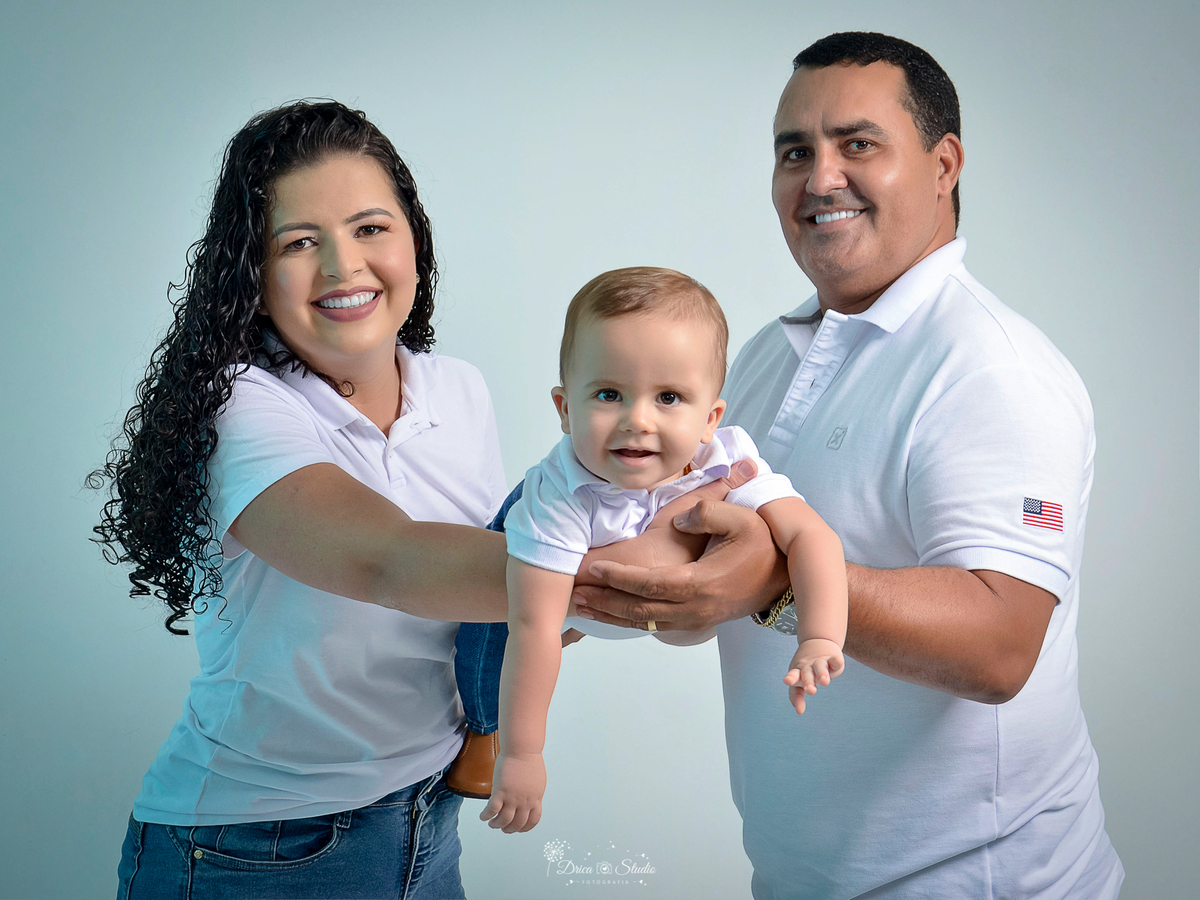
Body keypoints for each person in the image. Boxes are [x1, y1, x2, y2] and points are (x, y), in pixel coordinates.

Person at [93, 100, 776, 899]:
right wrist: (679, 568)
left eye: (370, 228)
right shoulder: (237, 405)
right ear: (252, 268)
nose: (344, 267)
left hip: (426, 822)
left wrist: (678, 549)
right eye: (300, 242)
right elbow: (388, 561)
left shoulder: (459, 390)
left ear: (414, 239)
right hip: (256, 846)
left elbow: (481, 590)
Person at [574, 32, 1124, 899]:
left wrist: (780, 583)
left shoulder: (992, 368)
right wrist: (592, 587)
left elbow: (1001, 644)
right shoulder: (764, 355)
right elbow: (699, 558)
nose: (820, 177)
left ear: (944, 164)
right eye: (796, 151)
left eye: (857, 143)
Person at [478, 267, 848, 834]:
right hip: (550, 563)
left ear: (710, 419)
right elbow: (534, 628)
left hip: (658, 599)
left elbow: (809, 534)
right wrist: (521, 756)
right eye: (608, 394)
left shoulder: (724, 459)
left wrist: (819, 635)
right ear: (564, 409)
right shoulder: (557, 496)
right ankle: (478, 731)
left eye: (669, 397)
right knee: (485, 633)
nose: (637, 421)